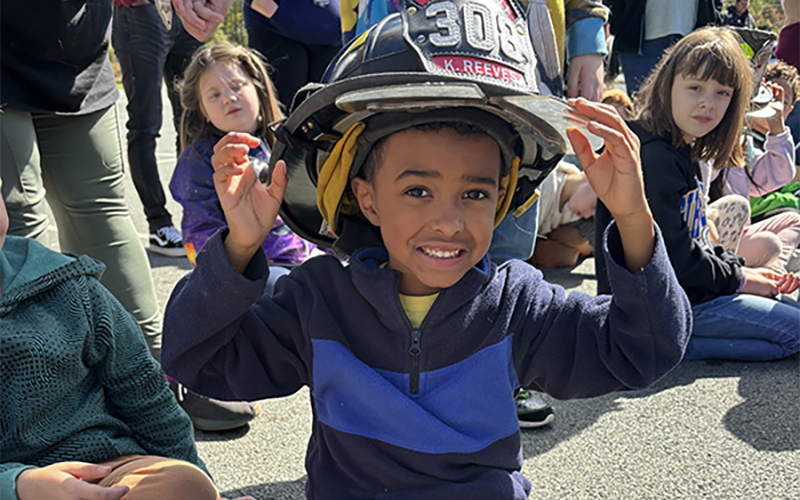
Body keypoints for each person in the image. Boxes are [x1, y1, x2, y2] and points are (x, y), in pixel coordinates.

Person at [162, 2, 691, 498]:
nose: (449, 221)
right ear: (365, 198)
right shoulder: (318, 302)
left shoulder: (517, 307)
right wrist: (239, 246)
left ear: (503, 197)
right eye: (417, 190)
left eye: (476, 192)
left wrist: (631, 217)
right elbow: (195, 357)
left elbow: (643, 349)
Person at [0, 177, 253, 500]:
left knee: (182, 484)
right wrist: (18, 485)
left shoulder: (65, 284)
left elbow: (144, 393)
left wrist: (198, 483)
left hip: (111, 471)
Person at [595, 27, 800, 362]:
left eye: (722, 93)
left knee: (788, 315)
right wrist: (740, 280)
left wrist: (742, 273)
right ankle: (658, 347)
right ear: (668, 85)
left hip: (686, 294)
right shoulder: (655, 158)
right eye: (695, 88)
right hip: (662, 308)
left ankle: (663, 345)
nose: (708, 103)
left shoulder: (683, 147)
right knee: (795, 334)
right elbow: (674, 259)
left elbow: (699, 238)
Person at [171, 43, 316, 267]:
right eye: (214, 95)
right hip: (257, 273)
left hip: (312, 261)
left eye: (237, 86)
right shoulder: (197, 162)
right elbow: (200, 236)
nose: (228, 98)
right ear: (203, 111)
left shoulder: (289, 143)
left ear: (258, 89)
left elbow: (318, 215)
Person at [112, 0, 203, 257]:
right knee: (145, 122)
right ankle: (159, 223)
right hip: (140, 10)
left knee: (192, 122)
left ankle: (198, 216)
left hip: (186, 9)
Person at [241, 0, 342, 109]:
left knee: (328, 112)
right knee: (284, 112)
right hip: (275, 28)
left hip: (330, 31)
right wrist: (275, 13)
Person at [607, 0, 721, 95]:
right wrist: (616, 20)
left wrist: (714, 18)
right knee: (641, 113)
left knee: (690, 111)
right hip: (639, 39)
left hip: (693, 39)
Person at [529, 162, 597, 268]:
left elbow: (599, 238)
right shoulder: (545, 185)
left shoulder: (577, 208)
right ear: (591, 178)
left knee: (569, 252)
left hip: (542, 235)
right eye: (594, 206)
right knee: (564, 255)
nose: (588, 215)